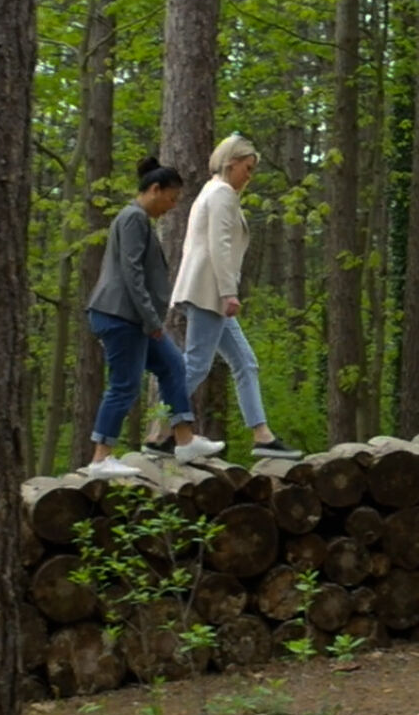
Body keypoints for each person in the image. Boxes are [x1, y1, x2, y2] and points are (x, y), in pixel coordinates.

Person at [157, 133, 302, 459]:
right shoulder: (221, 193)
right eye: (247, 168)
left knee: (245, 363)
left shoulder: (212, 191)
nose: (249, 176)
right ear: (231, 162)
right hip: (210, 292)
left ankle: (262, 436)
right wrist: (228, 292)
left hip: (207, 290)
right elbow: (219, 246)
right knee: (195, 365)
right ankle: (158, 432)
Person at [84, 157, 227, 476]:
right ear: (154, 189)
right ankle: (100, 457)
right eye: (171, 198)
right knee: (124, 384)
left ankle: (185, 440)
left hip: (131, 316)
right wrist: (151, 319)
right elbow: (131, 272)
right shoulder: (133, 218)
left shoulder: (137, 219)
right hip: (121, 316)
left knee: (173, 365)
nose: (172, 206)